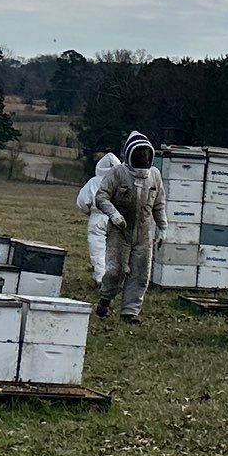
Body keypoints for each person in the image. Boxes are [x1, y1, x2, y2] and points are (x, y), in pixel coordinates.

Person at [89, 131, 164, 320]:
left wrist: (163, 227)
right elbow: (101, 196)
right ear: (129, 154)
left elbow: (159, 204)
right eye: (139, 154)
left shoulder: (154, 175)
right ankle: (105, 299)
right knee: (116, 270)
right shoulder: (118, 173)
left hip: (144, 231)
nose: (143, 158)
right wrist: (113, 214)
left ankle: (130, 313)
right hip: (120, 230)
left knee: (140, 273)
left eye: (145, 154)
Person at [76, 147, 124, 288]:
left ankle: (101, 280)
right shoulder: (122, 183)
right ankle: (115, 282)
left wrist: (89, 213)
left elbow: (81, 202)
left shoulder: (93, 182)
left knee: (98, 251)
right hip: (117, 219)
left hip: (97, 218)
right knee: (115, 252)